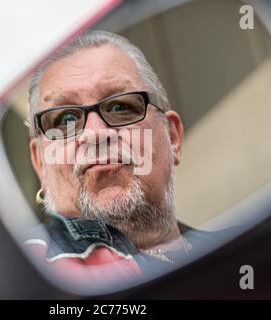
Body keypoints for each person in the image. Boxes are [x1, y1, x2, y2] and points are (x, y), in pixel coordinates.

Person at [23, 30, 218, 282]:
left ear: (172, 138)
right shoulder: (26, 274)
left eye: (120, 107)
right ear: (40, 164)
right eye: (66, 119)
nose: (95, 134)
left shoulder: (243, 250)